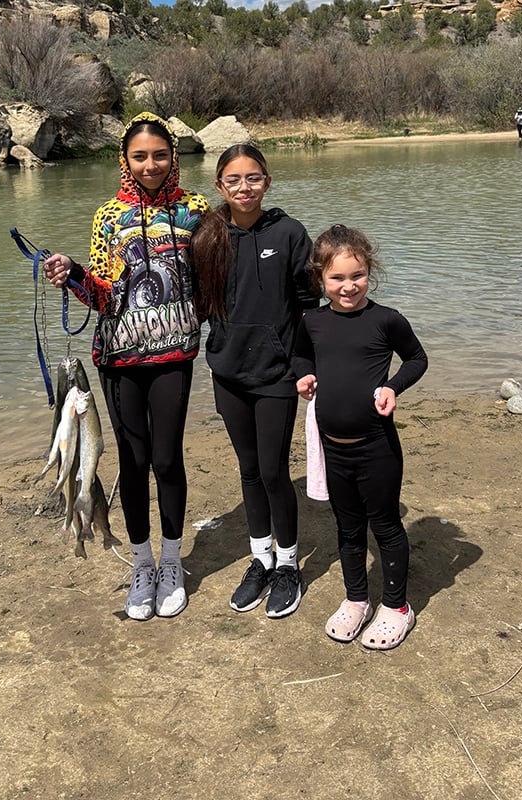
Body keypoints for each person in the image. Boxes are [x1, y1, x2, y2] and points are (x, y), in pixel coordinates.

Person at [44, 112, 210, 621]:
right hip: (118, 357)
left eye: (160, 154)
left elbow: (213, 280)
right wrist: (72, 273)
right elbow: (103, 293)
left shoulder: (196, 210)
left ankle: (171, 561)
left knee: (166, 459)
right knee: (133, 463)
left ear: (173, 156)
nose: (151, 164)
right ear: (125, 160)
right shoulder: (107, 217)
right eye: (140, 156)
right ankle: (141, 565)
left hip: (175, 355)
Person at [191, 144, 318, 618]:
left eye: (254, 178)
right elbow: (195, 301)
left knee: (272, 470)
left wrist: (307, 365)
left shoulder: (289, 233)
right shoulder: (206, 235)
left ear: (267, 181)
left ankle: (288, 565)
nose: (244, 188)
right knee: (247, 470)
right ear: (220, 185)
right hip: (227, 372)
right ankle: (260, 557)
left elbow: (309, 306)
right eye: (234, 180)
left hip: (276, 374)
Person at [293, 224, 428, 649]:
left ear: (369, 271)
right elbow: (299, 355)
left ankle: (395, 607)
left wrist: (392, 387)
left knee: (386, 526)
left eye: (357, 275)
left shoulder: (387, 320)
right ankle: (356, 599)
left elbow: (417, 359)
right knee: (348, 528)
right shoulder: (311, 320)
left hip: (377, 448)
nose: (348, 286)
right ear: (320, 279)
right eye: (337, 278)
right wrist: (304, 375)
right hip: (333, 449)